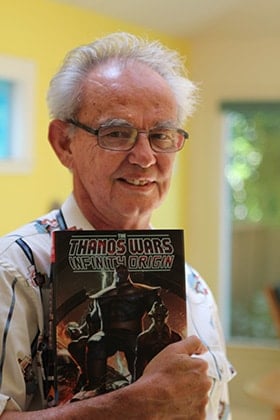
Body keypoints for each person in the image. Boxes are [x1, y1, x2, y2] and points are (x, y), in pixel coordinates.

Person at [0, 32, 235, 419]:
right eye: (116, 134)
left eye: (160, 135)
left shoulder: (193, 288)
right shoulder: (15, 272)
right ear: (64, 143)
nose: (144, 158)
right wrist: (131, 405)